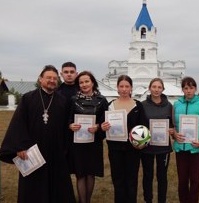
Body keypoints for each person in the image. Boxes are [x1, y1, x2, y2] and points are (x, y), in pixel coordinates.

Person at [0, 65, 76, 203]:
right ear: (41, 79)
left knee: (58, 187)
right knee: (33, 189)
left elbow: (66, 126)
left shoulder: (63, 100)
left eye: (54, 78)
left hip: (56, 151)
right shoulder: (28, 98)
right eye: (48, 78)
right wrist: (20, 147)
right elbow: (18, 124)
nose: (52, 80)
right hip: (32, 151)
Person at [101, 75, 147, 203]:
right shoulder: (110, 106)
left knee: (131, 180)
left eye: (127, 86)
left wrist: (142, 143)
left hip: (133, 149)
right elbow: (103, 126)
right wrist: (103, 127)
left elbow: (144, 127)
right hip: (115, 149)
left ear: (131, 88)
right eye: (121, 86)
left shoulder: (138, 106)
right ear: (117, 88)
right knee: (118, 180)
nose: (124, 89)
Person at [68, 71, 109, 203]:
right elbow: (67, 120)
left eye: (87, 81)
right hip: (78, 143)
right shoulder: (73, 100)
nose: (84, 84)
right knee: (80, 174)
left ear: (92, 82)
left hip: (94, 142)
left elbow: (106, 122)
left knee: (91, 174)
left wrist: (98, 127)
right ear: (78, 84)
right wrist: (70, 126)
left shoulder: (102, 101)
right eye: (81, 82)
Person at [172, 76, 199, 203]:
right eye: (186, 88)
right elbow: (174, 127)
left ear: (195, 89)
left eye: (191, 88)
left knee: (195, 181)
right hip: (181, 149)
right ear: (182, 89)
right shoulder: (176, 105)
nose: (189, 91)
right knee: (182, 181)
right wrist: (174, 135)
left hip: (196, 149)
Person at [141, 78, 174, 203]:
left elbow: (173, 125)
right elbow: (140, 125)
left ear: (163, 89)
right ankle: (148, 200)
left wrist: (172, 130)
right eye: (154, 87)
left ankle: (162, 200)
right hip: (147, 147)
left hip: (163, 147)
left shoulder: (169, 105)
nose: (156, 89)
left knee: (162, 176)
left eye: (159, 87)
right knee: (148, 175)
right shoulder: (142, 105)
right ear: (149, 88)